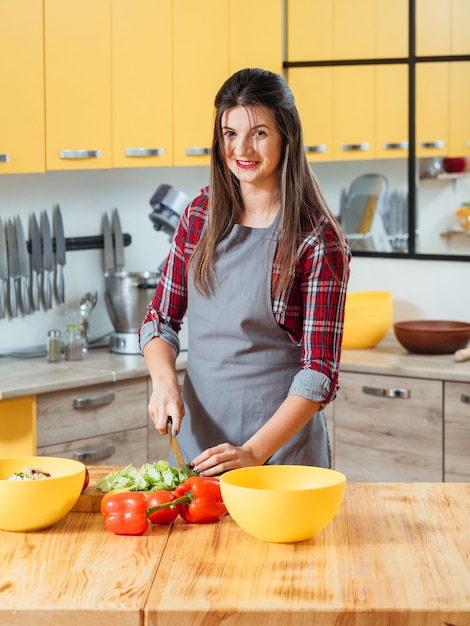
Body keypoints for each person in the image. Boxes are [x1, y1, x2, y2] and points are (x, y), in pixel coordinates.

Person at [139, 68, 351, 477]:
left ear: (286, 135)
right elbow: (160, 321)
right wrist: (164, 382)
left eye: (259, 133)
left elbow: (319, 373)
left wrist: (253, 453)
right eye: (229, 133)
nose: (242, 149)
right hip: (197, 452)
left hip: (280, 457)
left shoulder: (317, 238)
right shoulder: (199, 215)